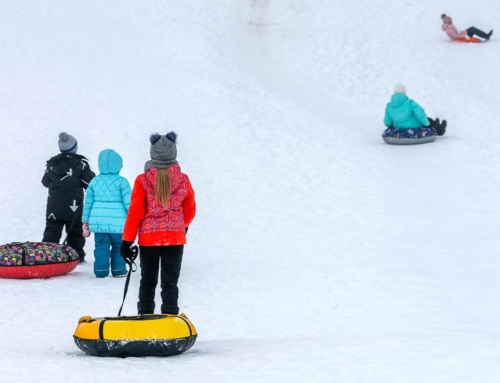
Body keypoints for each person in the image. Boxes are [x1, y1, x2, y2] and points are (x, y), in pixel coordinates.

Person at [120, 132, 196, 315]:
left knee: (148, 280)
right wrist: (182, 227)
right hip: (175, 238)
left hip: (149, 239)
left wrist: (127, 241)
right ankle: (170, 319)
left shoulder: (143, 179)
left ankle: (145, 316)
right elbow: (190, 208)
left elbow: (135, 212)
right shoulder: (183, 179)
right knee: (170, 281)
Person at [42, 132, 95, 263]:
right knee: (75, 232)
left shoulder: (52, 164)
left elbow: (45, 182)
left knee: (52, 231)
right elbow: (90, 182)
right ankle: (77, 256)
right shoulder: (81, 164)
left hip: (54, 208)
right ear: (74, 148)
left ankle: (47, 255)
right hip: (74, 207)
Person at [82, 149, 131, 278]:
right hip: (118, 224)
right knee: (119, 246)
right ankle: (119, 270)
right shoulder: (122, 182)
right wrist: (133, 219)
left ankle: (101, 270)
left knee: (101, 247)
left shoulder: (94, 182)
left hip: (99, 224)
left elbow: (88, 204)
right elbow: (129, 203)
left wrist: (85, 222)